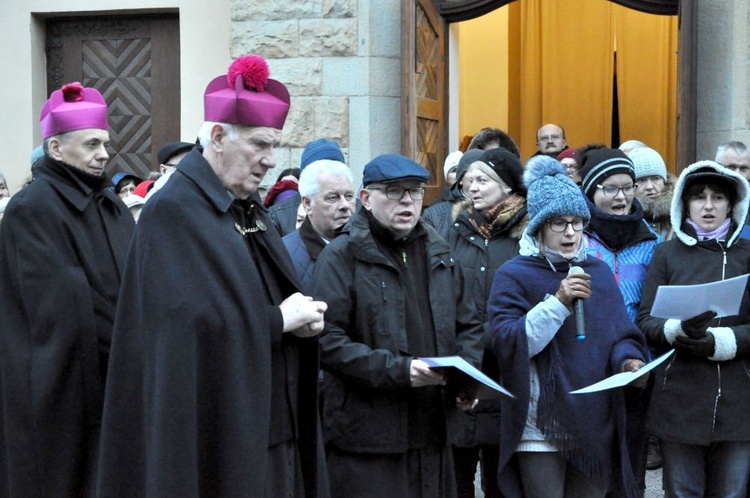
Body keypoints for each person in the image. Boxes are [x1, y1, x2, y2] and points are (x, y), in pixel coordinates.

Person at [96, 54, 329, 497]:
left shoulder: (249, 206)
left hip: (276, 425)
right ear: (218, 136)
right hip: (218, 433)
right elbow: (183, 329)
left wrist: (303, 319)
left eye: (273, 146)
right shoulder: (174, 211)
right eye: (259, 145)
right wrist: (280, 321)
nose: (269, 160)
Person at [313, 153, 483, 498]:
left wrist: (465, 379)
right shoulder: (342, 255)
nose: (407, 200)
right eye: (394, 191)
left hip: (434, 431)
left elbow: (470, 324)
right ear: (365, 198)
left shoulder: (440, 252)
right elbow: (326, 340)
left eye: (416, 191)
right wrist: (399, 371)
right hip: (368, 438)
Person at [0, 81, 135, 497]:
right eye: (91, 144)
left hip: (118, 381)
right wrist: (129, 339)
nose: (104, 154)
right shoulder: (30, 209)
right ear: (56, 149)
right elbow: (57, 306)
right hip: (62, 393)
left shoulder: (112, 205)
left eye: (106, 144)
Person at [489, 156, 648, 498]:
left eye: (577, 222)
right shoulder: (514, 274)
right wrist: (558, 303)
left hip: (593, 419)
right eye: (559, 223)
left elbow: (620, 334)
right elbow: (509, 342)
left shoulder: (599, 272)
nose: (571, 232)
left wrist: (630, 362)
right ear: (539, 227)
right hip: (540, 422)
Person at [637, 161, 750, 498]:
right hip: (679, 399)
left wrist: (721, 341)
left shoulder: (747, 255)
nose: (709, 206)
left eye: (718, 197)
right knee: (683, 492)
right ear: (684, 204)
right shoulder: (666, 253)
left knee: (731, 492)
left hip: (738, 397)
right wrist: (678, 329)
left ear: (732, 204)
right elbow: (646, 320)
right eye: (699, 197)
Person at [578, 146, 660, 494]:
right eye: (610, 188)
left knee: (631, 462)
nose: (622, 196)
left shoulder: (652, 242)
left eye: (628, 186)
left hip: (638, 364)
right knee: (592, 466)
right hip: (588, 365)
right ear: (591, 192)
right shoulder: (576, 238)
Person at [448, 146, 527, 498]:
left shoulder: (525, 237)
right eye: (468, 182)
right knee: (457, 476)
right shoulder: (456, 231)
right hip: (464, 367)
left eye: (482, 180)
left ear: (508, 186)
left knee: (501, 481)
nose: (473, 188)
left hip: (505, 370)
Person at [283, 159, 355, 293]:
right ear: (307, 204)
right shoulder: (283, 256)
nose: (345, 205)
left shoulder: (371, 247)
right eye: (333, 197)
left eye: (349, 196)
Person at [269, 138, 346, 236]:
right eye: (320, 170)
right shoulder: (278, 215)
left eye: (334, 169)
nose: (327, 176)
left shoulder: (359, 211)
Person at [630, 146, 676, 240]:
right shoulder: (625, 217)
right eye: (641, 180)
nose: (650, 187)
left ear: (665, 181)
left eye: (655, 179)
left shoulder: (680, 214)